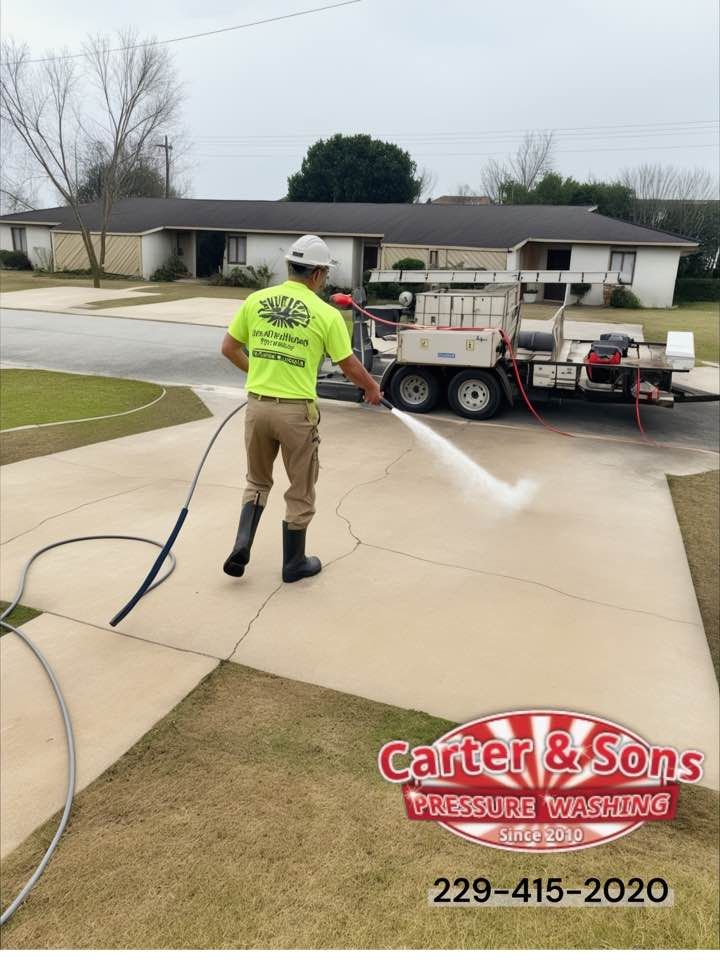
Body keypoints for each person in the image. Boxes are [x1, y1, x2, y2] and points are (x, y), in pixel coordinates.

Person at [220, 235, 382, 583]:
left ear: (289, 266)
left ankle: (242, 543)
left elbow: (229, 348)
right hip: (296, 415)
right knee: (300, 488)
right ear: (318, 274)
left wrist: (261, 373)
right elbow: (349, 364)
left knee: (257, 480)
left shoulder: (256, 300)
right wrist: (370, 388)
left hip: (257, 409)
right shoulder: (326, 314)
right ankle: (293, 563)